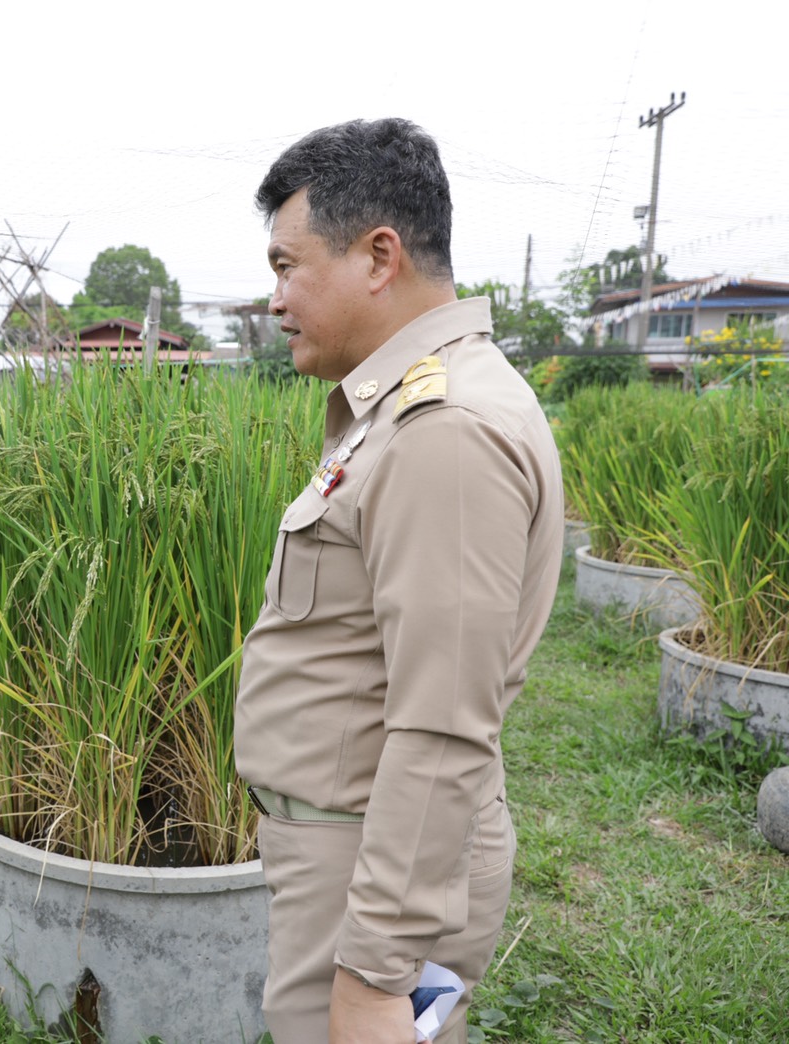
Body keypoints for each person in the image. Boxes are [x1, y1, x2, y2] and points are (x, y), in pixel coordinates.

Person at [233, 119, 563, 1044]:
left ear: (379, 256)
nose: (275, 298)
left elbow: (443, 724)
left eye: (287, 265)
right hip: (349, 849)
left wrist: (376, 972)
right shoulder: (408, 409)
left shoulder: (443, 430)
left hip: (367, 869)